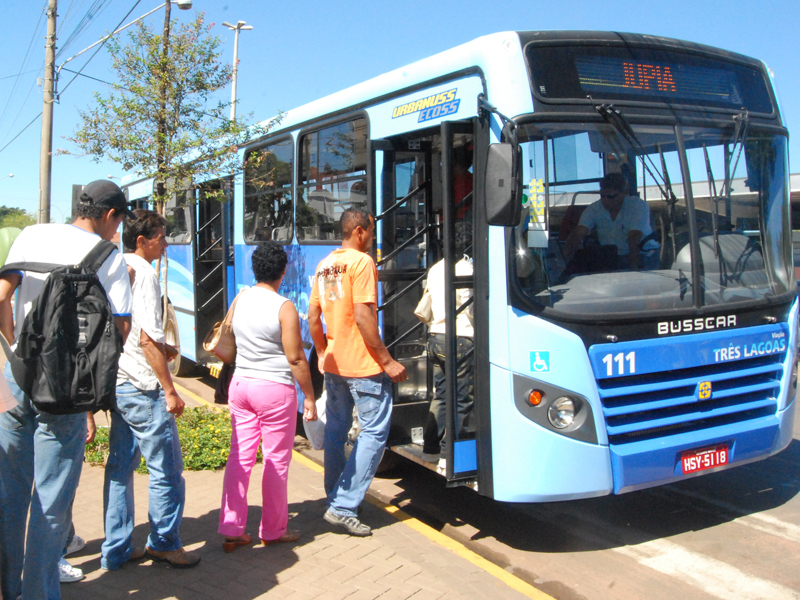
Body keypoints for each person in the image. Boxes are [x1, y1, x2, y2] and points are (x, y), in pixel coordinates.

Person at [0, 179, 133, 600]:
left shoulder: (31, 234)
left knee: (9, 492)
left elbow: (2, 295)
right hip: (65, 391)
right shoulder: (107, 257)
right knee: (53, 500)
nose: (117, 231)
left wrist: (13, 350)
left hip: (15, 378)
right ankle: (38, 593)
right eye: (118, 222)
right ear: (110, 215)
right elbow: (120, 329)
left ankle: (9, 587)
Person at [101, 209, 200, 570]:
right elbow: (146, 340)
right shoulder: (143, 273)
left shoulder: (115, 266)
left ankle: (117, 547)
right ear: (142, 240)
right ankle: (164, 542)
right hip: (143, 388)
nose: (166, 244)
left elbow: (126, 331)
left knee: (119, 470)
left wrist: (164, 349)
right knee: (167, 471)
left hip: (120, 383)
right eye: (161, 237)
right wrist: (170, 389)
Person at [308, 208, 407, 537]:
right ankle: (344, 505)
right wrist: (388, 361)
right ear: (360, 231)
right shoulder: (363, 263)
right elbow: (364, 318)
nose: (374, 238)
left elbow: (313, 318)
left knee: (336, 431)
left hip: (335, 363)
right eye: (372, 232)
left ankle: (334, 497)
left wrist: (323, 354)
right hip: (363, 365)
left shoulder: (324, 265)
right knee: (375, 433)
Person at [218, 242, 317, 551]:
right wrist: (310, 397)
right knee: (276, 460)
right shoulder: (283, 306)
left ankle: (232, 527)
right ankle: (272, 530)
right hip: (274, 390)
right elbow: (296, 358)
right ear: (283, 272)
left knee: (240, 456)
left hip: (241, 386)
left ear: (255, 269)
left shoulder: (242, 297)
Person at [421, 222, 475, 474]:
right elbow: (470, 309)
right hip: (461, 339)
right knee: (462, 398)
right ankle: (450, 452)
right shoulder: (465, 268)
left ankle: (430, 446)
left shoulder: (434, 268)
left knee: (441, 394)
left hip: (435, 337)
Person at [563, 172, 653, 271]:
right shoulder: (594, 208)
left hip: (643, 254)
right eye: (602, 196)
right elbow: (578, 233)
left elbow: (634, 239)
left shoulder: (638, 205)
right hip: (611, 257)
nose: (605, 200)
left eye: (610, 196)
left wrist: (634, 272)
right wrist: (563, 262)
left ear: (624, 193)